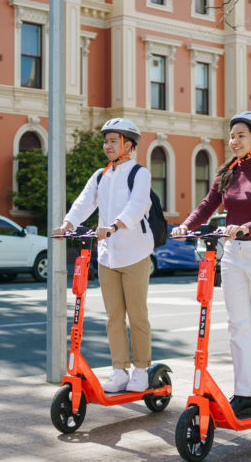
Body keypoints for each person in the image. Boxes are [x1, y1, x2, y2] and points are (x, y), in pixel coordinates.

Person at [172, 111, 251, 416]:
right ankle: (244, 393)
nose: (233, 141)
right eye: (232, 135)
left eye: (240, 135)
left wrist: (247, 227)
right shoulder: (227, 173)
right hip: (234, 255)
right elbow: (207, 205)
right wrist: (186, 226)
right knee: (237, 326)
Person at [52, 118, 155, 393]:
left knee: (137, 315)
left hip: (135, 253)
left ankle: (142, 369)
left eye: (113, 141)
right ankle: (119, 370)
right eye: (106, 140)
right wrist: (67, 224)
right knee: (113, 317)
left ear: (128, 145)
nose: (107, 145)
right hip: (108, 256)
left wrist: (114, 226)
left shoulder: (139, 173)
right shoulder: (101, 175)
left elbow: (138, 205)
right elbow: (85, 201)